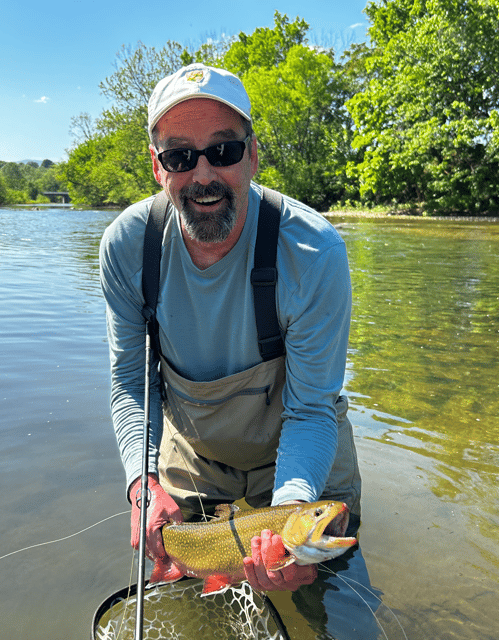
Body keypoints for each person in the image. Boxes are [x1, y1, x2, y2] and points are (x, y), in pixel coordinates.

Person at [99, 63, 361, 593]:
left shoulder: (314, 252)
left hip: (303, 449)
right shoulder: (127, 248)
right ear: (157, 166)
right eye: (179, 155)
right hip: (195, 453)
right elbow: (132, 384)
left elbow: (311, 409)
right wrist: (142, 483)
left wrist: (288, 519)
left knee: (322, 594)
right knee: (188, 597)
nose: (202, 175)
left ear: (253, 155)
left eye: (223, 151)